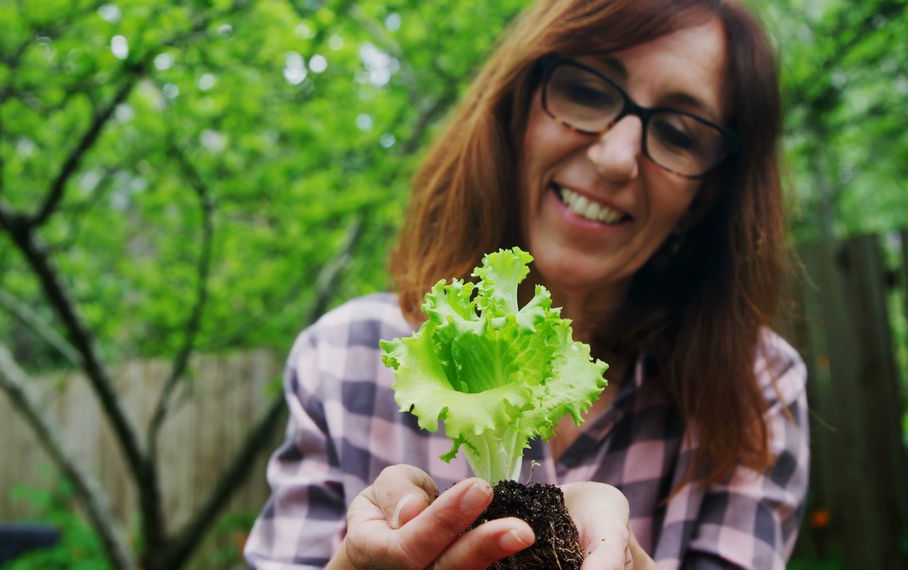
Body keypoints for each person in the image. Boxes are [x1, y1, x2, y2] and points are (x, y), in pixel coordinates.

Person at [245, 0, 808, 568]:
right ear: (518, 112)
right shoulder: (343, 358)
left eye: (681, 134)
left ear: (707, 197)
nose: (616, 159)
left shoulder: (757, 387)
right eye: (588, 92)